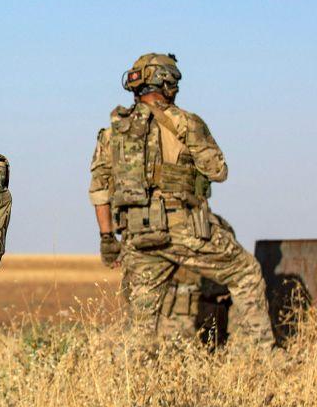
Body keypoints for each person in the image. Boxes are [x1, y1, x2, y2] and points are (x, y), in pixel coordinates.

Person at [89, 53, 273, 347]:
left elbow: (99, 190)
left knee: (141, 323)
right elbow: (218, 170)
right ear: (167, 82)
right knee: (246, 272)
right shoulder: (185, 122)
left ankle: (134, 376)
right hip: (181, 228)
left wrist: (108, 239)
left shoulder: (112, 133)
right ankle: (261, 356)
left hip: (136, 235)